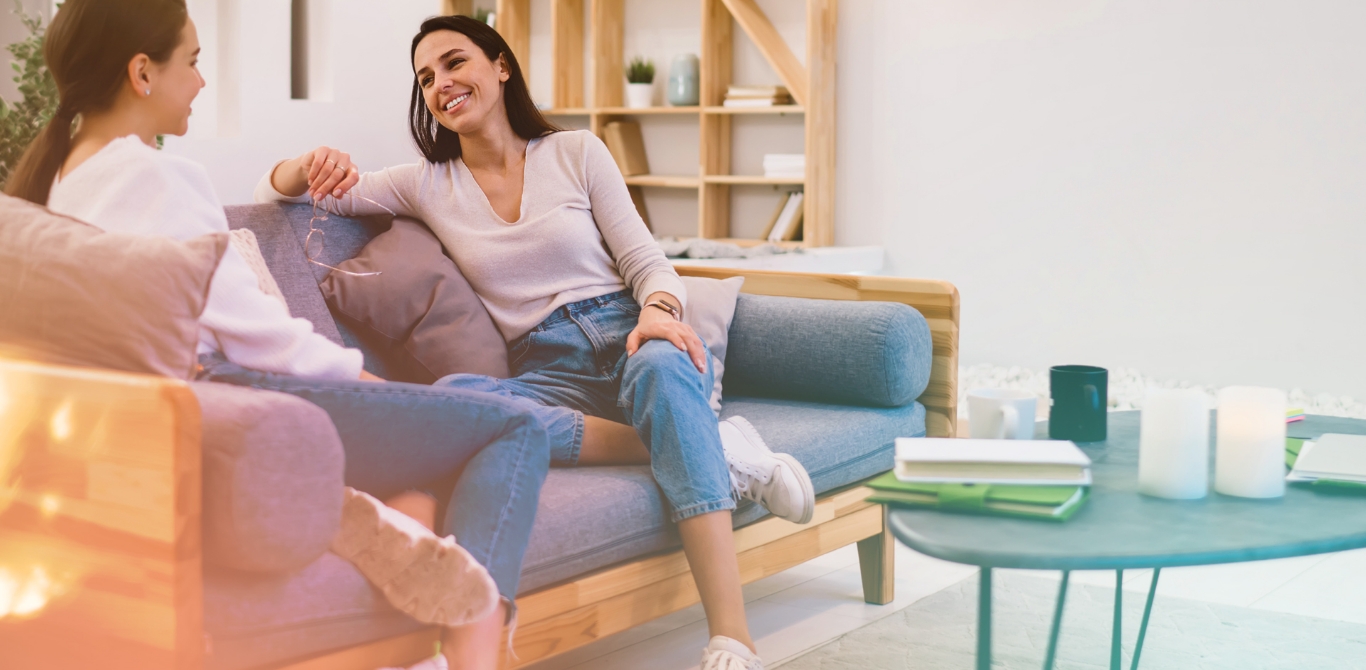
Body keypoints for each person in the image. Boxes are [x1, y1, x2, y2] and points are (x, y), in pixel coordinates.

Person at [255, 15, 817, 670]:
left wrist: (659, 312)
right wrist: (304, 163)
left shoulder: (576, 153)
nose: (441, 83)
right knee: (462, 402)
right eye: (426, 78)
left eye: (455, 62)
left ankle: (732, 636)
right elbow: (285, 193)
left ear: (500, 66)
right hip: (545, 365)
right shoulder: (424, 183)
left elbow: (648, 263)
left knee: (666, 377)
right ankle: (713, 443)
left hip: (628, 331)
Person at [4, 2, 547, 667]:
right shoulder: (157, 176)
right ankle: (472, 653)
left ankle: (404, 582)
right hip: (238, 395)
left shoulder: (54, 185)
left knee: (423, 479)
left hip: (151, 425)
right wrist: (364, 379)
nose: (202, 82)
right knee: (515, 424)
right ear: (142, 72)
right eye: (194, 62)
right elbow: (255, 334)